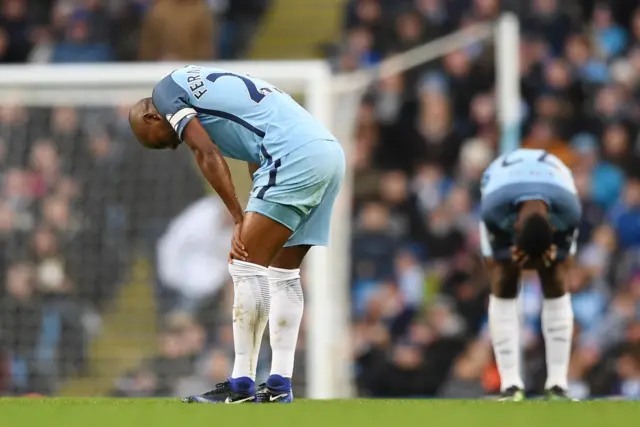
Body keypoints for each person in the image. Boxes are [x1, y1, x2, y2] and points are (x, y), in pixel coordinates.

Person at [128, 65, 346, 403]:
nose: (170, 148)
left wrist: (237, 217)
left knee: (244, 266)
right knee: (284, 273)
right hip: (327, 153)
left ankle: (241, 385)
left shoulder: (165, 95)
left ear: (152, 118)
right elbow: (254, 149)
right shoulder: (197, 82)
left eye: (157, 143)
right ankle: (279, 386)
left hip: (291, 156)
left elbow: (206, 152)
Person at [479, 148, 581, 401]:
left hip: (557, 185)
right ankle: (510, 384)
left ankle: (557, 384)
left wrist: (552, 254)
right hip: (499, 185)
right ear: (514, 227)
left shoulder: (569, 212)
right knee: (504, 279)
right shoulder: (493, 210)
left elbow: (564, 261)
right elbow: (499, 260)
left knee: (556, 278)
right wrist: (511, 255)